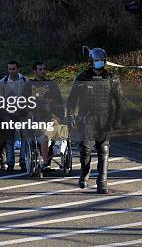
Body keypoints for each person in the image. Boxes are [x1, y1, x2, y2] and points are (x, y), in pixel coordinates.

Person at [67, 48, 124, 194]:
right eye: (96, 60)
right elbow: (72, 99)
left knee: (103, 149)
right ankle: (84, 172)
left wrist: (118, 119)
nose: (99, 63)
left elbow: (120, 100)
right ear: (91, 62)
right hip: (87, 117)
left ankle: (102, 183)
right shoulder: (82, 77)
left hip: (105, 118)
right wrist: (71, 115)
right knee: (86, 148)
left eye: (101, 60)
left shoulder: (112, 78)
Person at [0, 61, 31, 172]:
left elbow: (29, 97)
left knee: (24, 137)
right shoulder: (3, 82)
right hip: (8, 113)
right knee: (9, 139)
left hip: (23, 112)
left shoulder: (25, 80)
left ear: (18, 69)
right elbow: (0, 98)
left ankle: (23, 161)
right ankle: (10, 163)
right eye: (10, 69)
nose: (12, 71)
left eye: (14, 69)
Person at [30, 62, 65, 171]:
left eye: (44, 69)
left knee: (62, 132)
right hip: (36, 121)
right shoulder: (29, 85)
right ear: (35, 71)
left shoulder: (52, 85)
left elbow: (59, 103)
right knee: (45, 136)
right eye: (40, 69)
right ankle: (45, 163)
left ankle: (59, 152)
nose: (42, 71)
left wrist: (59, 117)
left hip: (52, 119)